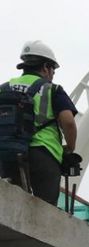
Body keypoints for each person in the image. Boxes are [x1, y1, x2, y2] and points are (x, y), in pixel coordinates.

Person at [1, 41, 78, 205]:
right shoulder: (52, 89)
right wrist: (70, 148)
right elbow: (69, 122)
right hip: (43, 153)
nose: (52, 75)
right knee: (45, 208)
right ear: (45, 67)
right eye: (53, 70)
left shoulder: (4, 88)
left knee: (11, 204)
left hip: (8, 154)